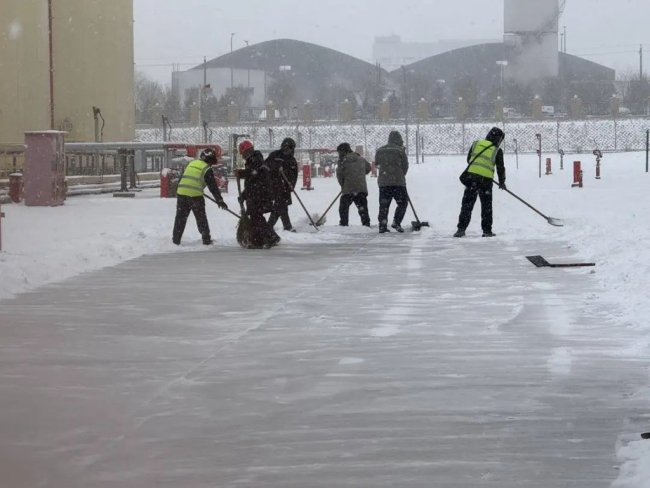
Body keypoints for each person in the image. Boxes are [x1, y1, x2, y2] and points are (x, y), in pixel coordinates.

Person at [453, 127, 507, 238]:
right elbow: (500, 168)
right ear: (499, 139)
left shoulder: (476, 143)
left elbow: (469, 159)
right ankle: (487, 231)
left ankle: (461, 229)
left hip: (471, 178)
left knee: (467, 205)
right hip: (486, 181)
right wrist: (502, 182)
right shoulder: (497, 150)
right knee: (486, 206)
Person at [172, 148, 228, 246]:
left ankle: (176, 240)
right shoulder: (206, 168)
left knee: (180, 218)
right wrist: (219, 200)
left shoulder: (191, 163)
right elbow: (213, 187)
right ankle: (206, 239)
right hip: (195, 196)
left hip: (181, 192)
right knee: (201, 218)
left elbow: (184, 178)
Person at [237, 140, 279, 248]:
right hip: (257, 194)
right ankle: (261, 238)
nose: (243, 156)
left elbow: (254, 175)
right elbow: (251, 181)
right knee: (256, 217)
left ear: (248, 151)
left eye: (244, 154)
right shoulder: (254, 160)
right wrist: (244, 195)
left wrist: (242, 173)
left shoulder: (255, 160)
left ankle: (269, 237)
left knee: (257, 217)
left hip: (260, 195)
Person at [374, 131, 409, 233]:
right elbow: (405, 166)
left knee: (384, 205)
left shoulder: (380, 150)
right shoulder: (400, 151)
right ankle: (396, 222)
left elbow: (377, 164)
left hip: (384, 182)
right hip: (398, 183)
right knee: (402, 203)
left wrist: (386, 172)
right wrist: (400, 175)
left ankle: (382, 225)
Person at [266, 137, 299, 233]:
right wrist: (276, 167)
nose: (288, 150)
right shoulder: (275, 155)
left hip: (285, 188)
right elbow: (266, 166)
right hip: (273, 186)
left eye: (290, 148)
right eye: (286, 147)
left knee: (279, 207)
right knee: (281, 206)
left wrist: (291, 187)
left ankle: (269, 226)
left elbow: (294, 176)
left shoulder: (292, 160)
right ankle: (287, 227)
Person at [336, 142, 371, 227]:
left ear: (343, 151)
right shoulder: (361, 159)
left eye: (339, 152)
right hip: (361, 188)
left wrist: (343, 186)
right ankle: (366, 223)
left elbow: (340, 175)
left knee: (343, 208)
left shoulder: (342, 161)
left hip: (348, 189)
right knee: (362, 208)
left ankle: (344, 224)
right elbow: (368, 168)